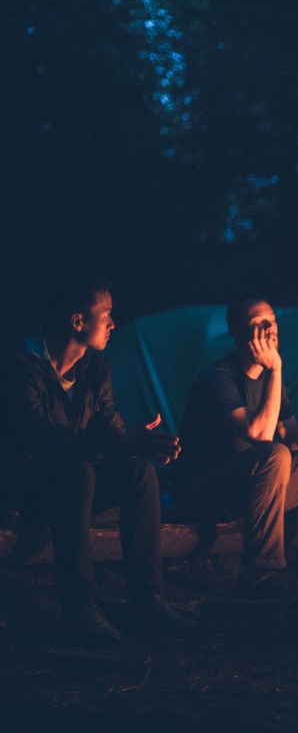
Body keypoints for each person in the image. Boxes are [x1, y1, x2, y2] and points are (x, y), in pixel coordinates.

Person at [0, 272, 194, 643]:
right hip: (23, 487)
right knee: (79, 473)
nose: (112, 323)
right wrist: (116, 443)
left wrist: (132, 443)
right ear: (78, 322)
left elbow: (108, 428)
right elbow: (40, 441)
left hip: (70, 484)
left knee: (138, 473)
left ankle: (147, 598)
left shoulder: (94, 368)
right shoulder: (19, 367)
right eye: (106, 314)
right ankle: (78, 609)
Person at [176, 298, 298, 596]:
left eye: (272, 321)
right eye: (259, 323)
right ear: (237, 331)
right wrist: (275, 369)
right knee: (274, 454)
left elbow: (289, 433)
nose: (270, 329)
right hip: (208, 491)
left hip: (257, 490)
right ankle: (261, 572)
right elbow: (259, 433)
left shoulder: (272, 381)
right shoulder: (218, 377)